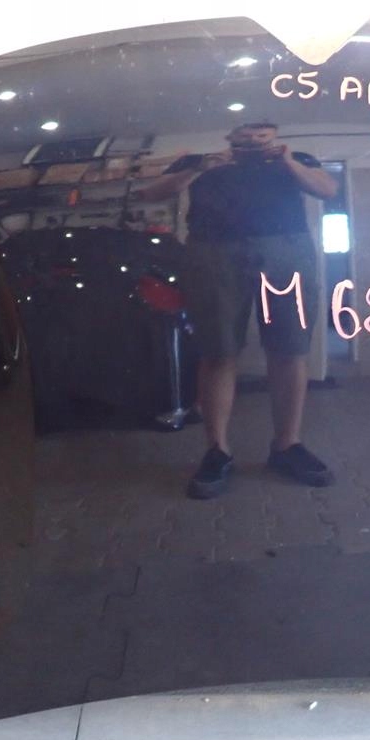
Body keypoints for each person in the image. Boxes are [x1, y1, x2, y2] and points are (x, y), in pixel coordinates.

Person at [137, 123, 338, 499]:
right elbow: (150, 193)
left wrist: (288, 163)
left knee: (290, 349)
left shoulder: (295, 159)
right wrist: (200, 168)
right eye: (246, 135)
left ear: (273, 136)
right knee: (217, 351)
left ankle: (287, 445)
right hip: (213, 253)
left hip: (286, 251)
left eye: (262, 135)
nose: (254, 141)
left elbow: (327, 190)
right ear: (231, 137)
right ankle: (217, 451)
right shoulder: (200, 161)